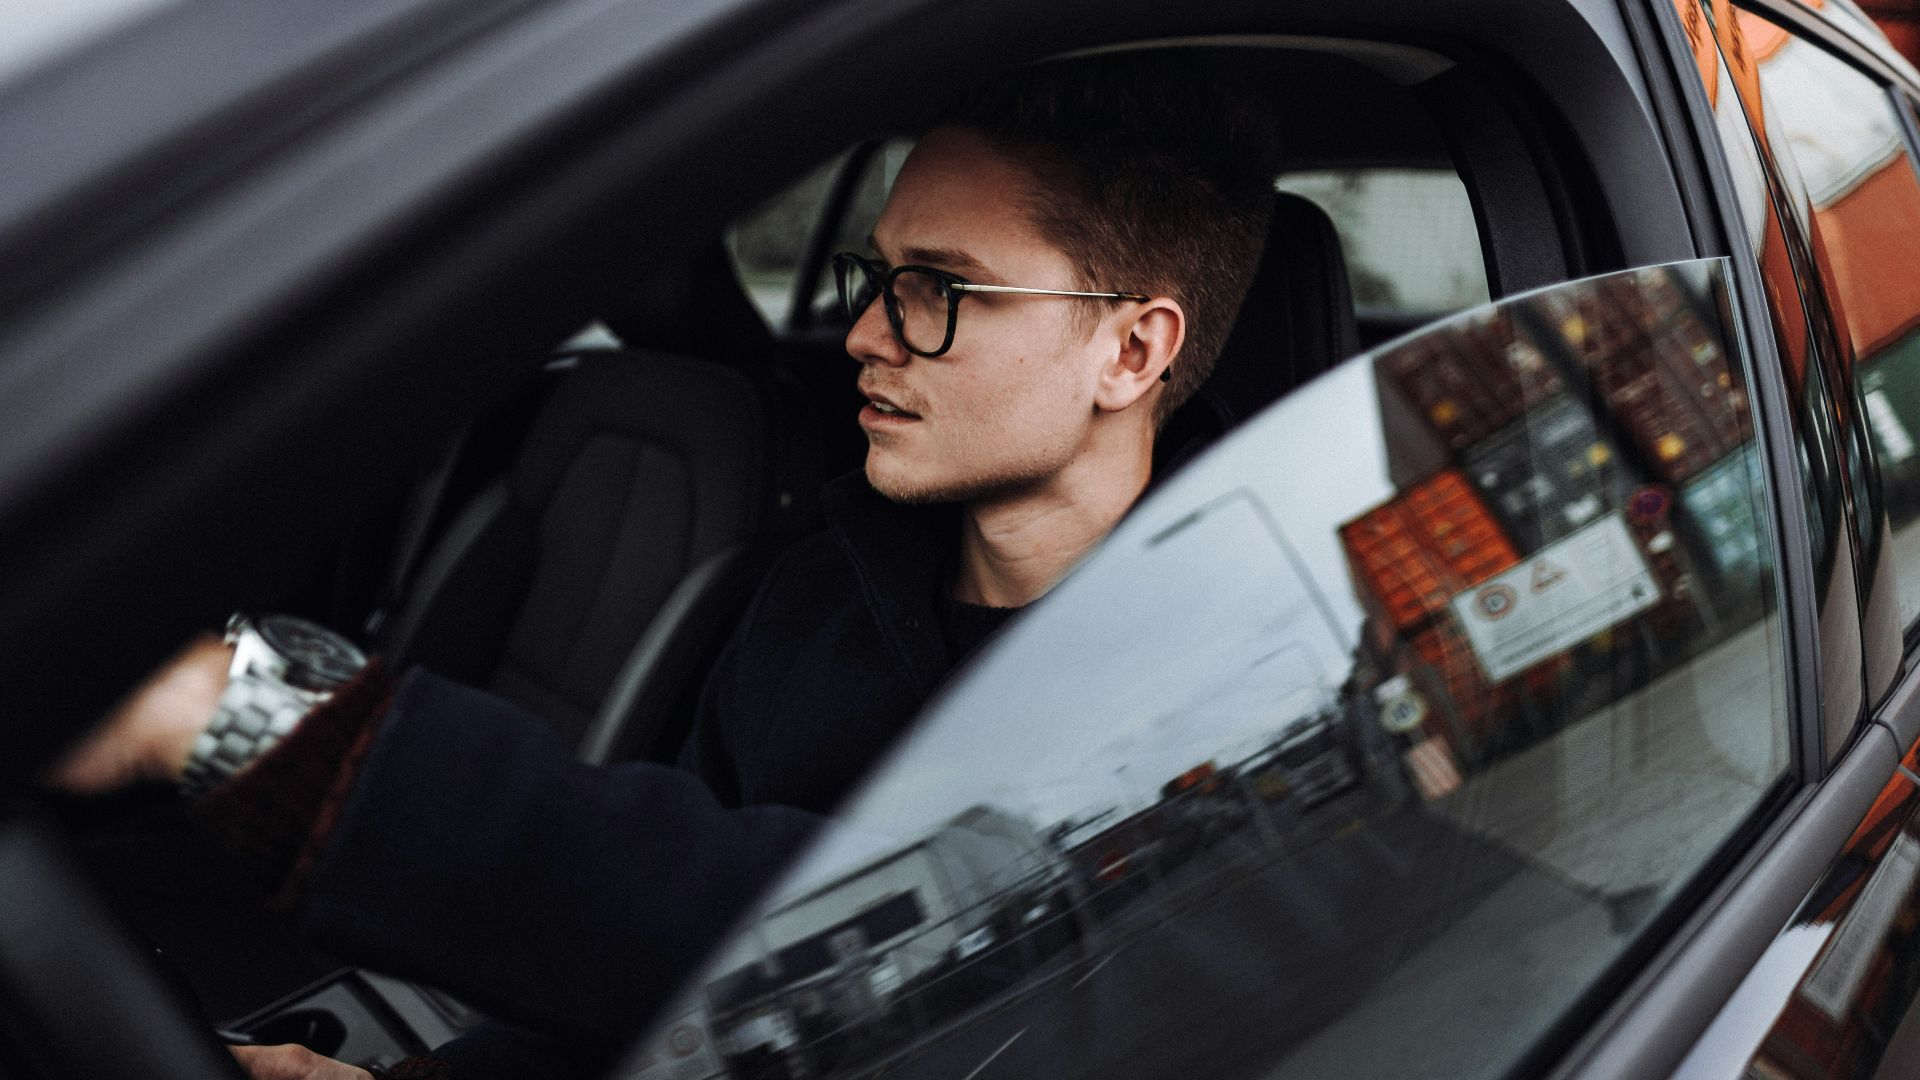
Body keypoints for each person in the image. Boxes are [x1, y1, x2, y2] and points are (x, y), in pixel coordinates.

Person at [52, 51, 1281, 1079]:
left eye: (940, 291)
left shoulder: (1246, 670)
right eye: (878, 277)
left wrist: (244, 716)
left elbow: (886, 937)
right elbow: (669, 1000)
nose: (862, 334)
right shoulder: (810, 599)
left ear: (1131, 352)